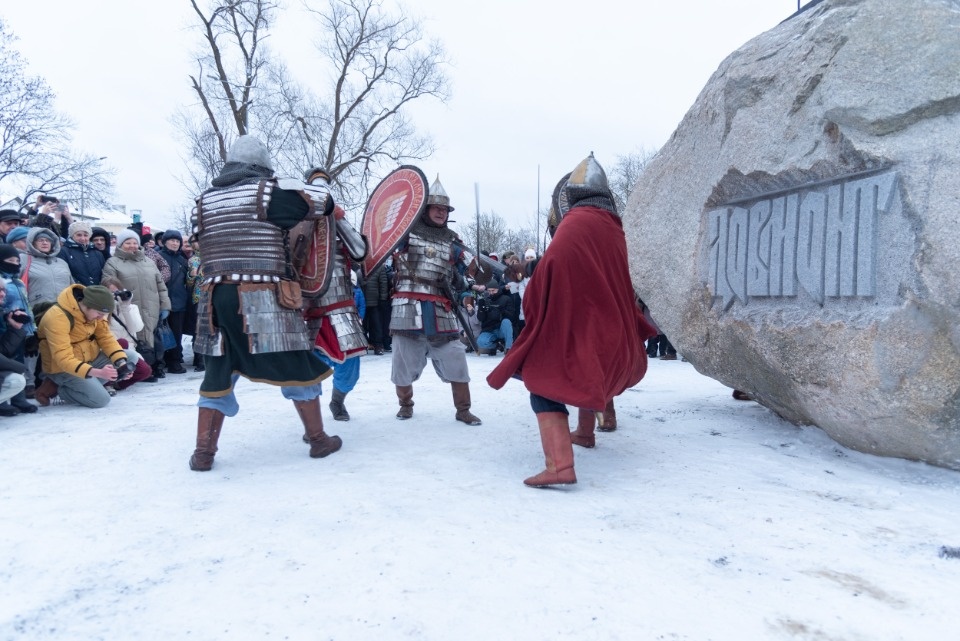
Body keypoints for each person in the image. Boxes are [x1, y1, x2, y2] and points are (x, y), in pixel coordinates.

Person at [488, 154, 656, 487]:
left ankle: (560, 466)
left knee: (542, 380)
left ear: (572, 195)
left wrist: (538, 302)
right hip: (613, 335)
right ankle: (585, 432)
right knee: (587, 369)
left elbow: (550, 271)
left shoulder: (576, 223)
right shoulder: (614, 227)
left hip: (585, 330)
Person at [189, 135, 339, 471]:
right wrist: (316, 180)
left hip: (214, 300)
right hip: (260, 296)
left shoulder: (203, 201)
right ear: (262, 166)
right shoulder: (269, 193)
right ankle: (318, 440)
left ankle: (203, 454)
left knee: (218, 373)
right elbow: (323, 203)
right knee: (296, 365)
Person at [388, 175, 481, 425]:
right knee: (403, 364)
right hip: (407, 308)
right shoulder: (406, 233)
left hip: (440, 309)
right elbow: (385, 246)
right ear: (425, 209)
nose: (441, 213)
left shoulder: (453, 242)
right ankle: (405, 404)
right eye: (436, 208)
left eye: (444, 209)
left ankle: (463, 410)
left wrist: (472, 273)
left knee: (456, 357)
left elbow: (465, 273)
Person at [297, 181, 369, 423]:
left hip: (343, 311)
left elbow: (360, 252)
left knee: (350, 370)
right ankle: (313, 419)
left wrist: (338, 218)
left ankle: (337, 401)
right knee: (308, 370)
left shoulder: (340, 231)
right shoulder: (298, 225)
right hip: (312, 313)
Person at [34, 284, 138, 408]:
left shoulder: (96, 312)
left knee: (130, 356)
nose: (101, 318)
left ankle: (87, 386)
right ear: (87, 305)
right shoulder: (57, 317)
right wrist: (98, 373)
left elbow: (106, 338)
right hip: (62, 368)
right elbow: (63, 359)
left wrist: (122, 364)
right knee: (101, 400)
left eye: (103, 315)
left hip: (88, 360)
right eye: (99, 314)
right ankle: (61, 390)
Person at [101, 229, 171, 378]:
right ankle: (139, 369)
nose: (132, 246)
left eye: (134, 242)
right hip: (128, 307)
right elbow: (109, 285)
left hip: (151, 306)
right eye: (128, 243)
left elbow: (161, 285)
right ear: (121, 244)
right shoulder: (113, 263)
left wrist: (165, 304)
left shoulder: (148, 261)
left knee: (150, 335)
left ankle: (154, 366)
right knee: (134, 336)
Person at [156, 229, 190, 374]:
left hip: (179, 302)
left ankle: (174, 361)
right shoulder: (158, 257)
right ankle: (159, 361)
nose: (175, 243)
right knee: (159, 333)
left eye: (177, 241)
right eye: (172, 240)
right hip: (161, 301)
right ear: (164, 242)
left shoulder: (182, 260)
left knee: (176, 333)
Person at [22, 227, 73, 308]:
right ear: (32, 243)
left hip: (64, 309)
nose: (45, 243)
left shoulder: (62, 262)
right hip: (37, 310)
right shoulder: (23, 259)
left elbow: (71, 285)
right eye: (40, 240)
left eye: (48, 240)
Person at [59, 221, 106, 286]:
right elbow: (64, 274)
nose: (83, 238)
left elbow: (103, 274)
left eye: (86, 235)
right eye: (79, 235)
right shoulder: (64, 251)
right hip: (76, 292)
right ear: (72, 236)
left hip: (96, 292)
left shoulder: (97, 253)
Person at [476, 279, 514, 355]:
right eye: (489, 291)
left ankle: (509, 348)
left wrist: (502, 311)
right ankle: (496, 346)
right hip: (489, 329)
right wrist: (481, 309)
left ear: (498, 289)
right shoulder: (485, 300)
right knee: (480, 342)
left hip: (501, 328)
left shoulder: (506, 299)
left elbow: (512, 316)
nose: (491, 293)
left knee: (506, 322)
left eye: (493, 290)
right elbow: (480, 319)